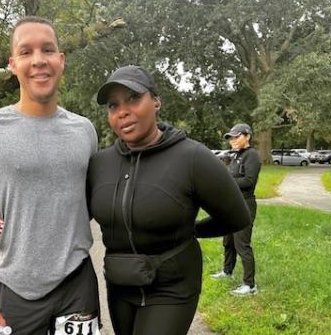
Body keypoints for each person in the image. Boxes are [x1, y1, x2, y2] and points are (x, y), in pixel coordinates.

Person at [0, 16, 101, 335]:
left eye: (48, 50)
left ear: (61, 61)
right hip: (16, 288)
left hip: (77, 283)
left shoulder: (85, 131)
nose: (38, 60)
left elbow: (89, 202)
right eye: (26, 52)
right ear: (12, 64)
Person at [86, 66, 251, 335]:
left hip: (171, 287)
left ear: (156, 101)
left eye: (133, 99)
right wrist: (10, 218)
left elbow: (237, 217)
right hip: (121, 283)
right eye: (113, 105)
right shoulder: (100, 164)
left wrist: (192, 230)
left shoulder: (192, 158)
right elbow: (71, 213)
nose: (122, 111)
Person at [210, 123, 262, 295]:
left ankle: (250, 285)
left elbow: (249, 181)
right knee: (228, 242)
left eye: (236, 136)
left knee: (242, 244)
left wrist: (226, 183)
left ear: (247, 136)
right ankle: (227, 271)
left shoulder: (252, 155)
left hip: (245, 205)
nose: (232, 140)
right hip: (231, 205)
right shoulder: (235, 155)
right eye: (231, 137)